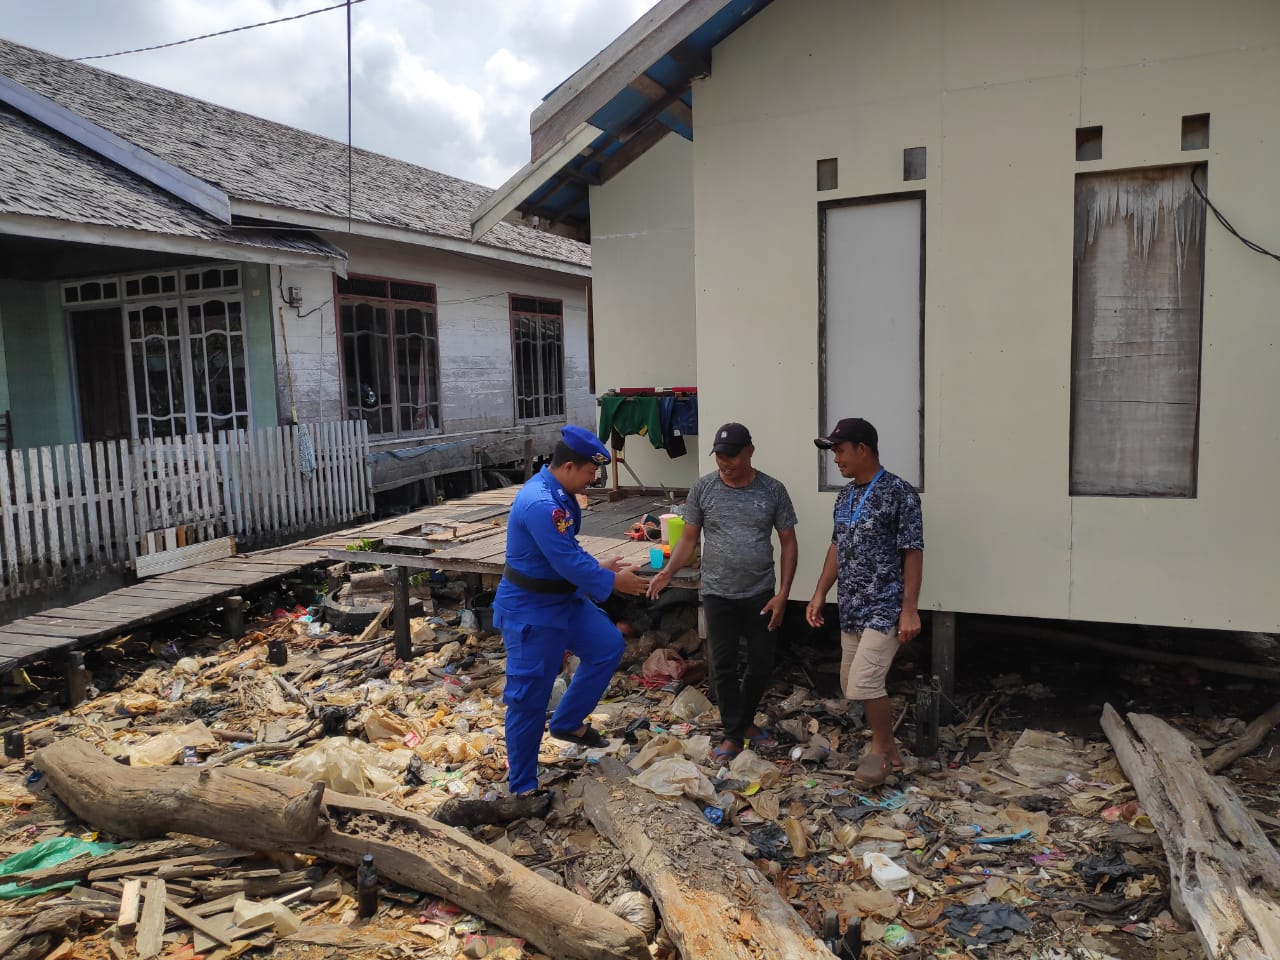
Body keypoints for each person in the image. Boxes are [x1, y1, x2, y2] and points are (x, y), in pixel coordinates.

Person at [494, 424, 648, 795]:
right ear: (568, 467)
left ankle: (567, 721)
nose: (592, 481)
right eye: (590, 473)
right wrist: (612, 584)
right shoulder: (541, 503)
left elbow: (569, 550)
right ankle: (524, 788)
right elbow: (565, 558)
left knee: (607, 645)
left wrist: (600, 570)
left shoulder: (559, 494)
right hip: (531, 609)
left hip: (564, 599)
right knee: (528, 700)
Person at [648, 422, 798, 763]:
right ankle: (734, 732)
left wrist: (784, 593)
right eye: (719, 456)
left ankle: (743, 722)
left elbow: (789, 542)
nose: (725, 463)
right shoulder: (703, 488)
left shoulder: (772, 490)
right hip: (717, 592)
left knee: (760, 662)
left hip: (761, 592)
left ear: (749, 452)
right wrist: (668, 573)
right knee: (723, 666)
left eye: (731, 456)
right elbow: (688, 539)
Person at [806, 417, 923, 786]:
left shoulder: (899, 493)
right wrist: (820, 592)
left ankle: (882, 750)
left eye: (840, 451)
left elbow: (912, 552)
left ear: (863, 449)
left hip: (885, 605)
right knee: (849, 683)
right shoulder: (845, 496)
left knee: (865, 684)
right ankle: (892, 752)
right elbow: (836, 546)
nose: (836, 459)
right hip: (852, 606)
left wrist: (909, 609)